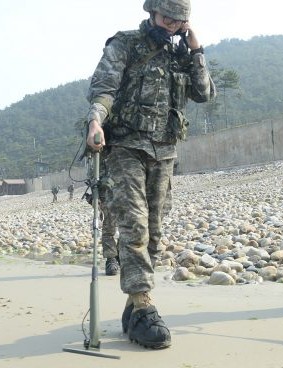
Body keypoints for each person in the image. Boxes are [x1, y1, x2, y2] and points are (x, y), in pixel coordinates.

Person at [85, 0, 215, 348]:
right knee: (134, 225)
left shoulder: (180, 53)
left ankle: (132, 307)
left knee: (155, 231)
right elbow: (103, 89)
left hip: (165, 151)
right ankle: (143, 303)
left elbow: (203, 93)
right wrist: (96, 119)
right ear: (152, 12)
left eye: (179, 20)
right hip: (126, 148)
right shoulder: (124, 44)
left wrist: (196, 49)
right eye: (167, 17)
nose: (172, 24)